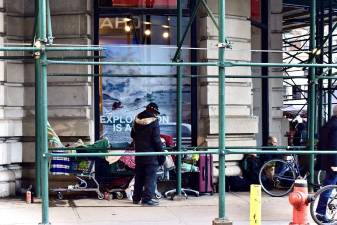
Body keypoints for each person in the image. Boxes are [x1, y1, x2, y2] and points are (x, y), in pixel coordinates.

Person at [131, 102, 165, 206]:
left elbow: (132, 134)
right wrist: (161, 154)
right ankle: (147, 200)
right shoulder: (154, 121)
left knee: (139, 177)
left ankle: (136, 198)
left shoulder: (137, 119)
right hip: (151, 155)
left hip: (139, 153)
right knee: (150, 178)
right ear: (154, 111)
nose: (156, 115)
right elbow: (156, 140)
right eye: (156, 113)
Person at [315, 105, 337, 223]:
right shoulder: (335, 126)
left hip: (327, 161)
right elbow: (334, 146)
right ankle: (321, 212)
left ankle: (322, 212)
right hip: (333, 162)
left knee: (328, 187)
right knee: (328, 188)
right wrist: (334, 164)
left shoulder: (328, 124)